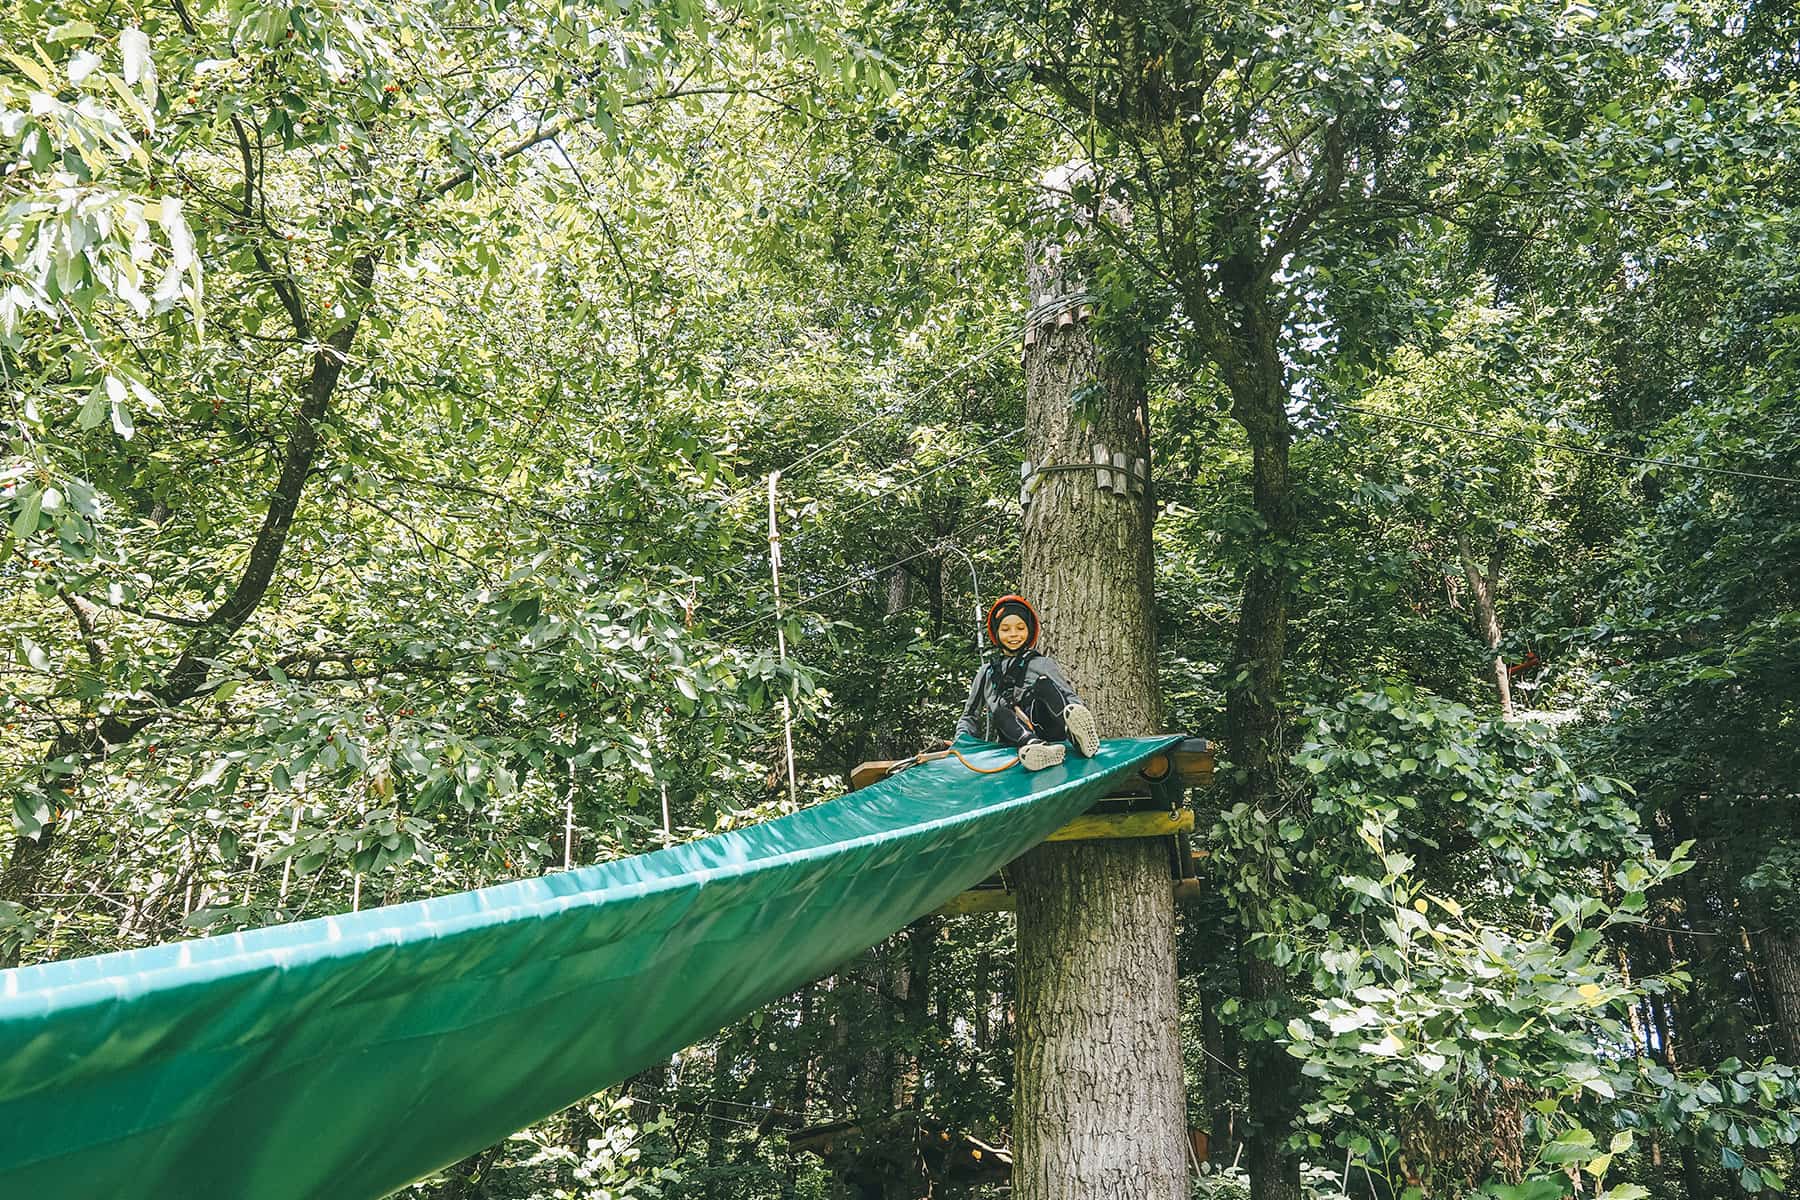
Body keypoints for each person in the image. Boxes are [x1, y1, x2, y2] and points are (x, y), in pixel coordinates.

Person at [954, 594, 1100, 771]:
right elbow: (969, 715)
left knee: (1044, 684)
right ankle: (1036, 748)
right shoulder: (987, 673)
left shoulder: (1042, 664)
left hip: (1048, 726)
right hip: (1015, 735)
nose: (1013, 634)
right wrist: (961, 742)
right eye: (1006, 629)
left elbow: (1068, 695)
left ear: (1029, 630)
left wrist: (1078, 714)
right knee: (1000, 712)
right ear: (996, 632)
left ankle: (1078, 737)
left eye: (1020, 628)